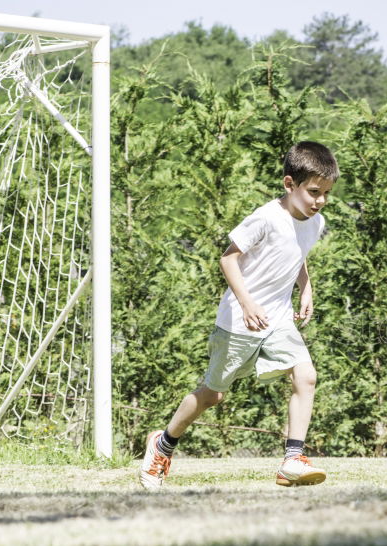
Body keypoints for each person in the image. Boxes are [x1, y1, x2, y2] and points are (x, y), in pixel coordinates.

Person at [139, 141, 338, 490]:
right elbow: (228, 259)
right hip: (239, 318)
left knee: (306, 377)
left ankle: (293, 459)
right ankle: (163, 444)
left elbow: (297, 254)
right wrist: (247, 304)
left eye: (326, 193)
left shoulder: (314, 221)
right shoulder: (265, 217)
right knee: (212, 395)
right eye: (313, 192)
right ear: (289, 184)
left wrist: (306, 288)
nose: (319, 200)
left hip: (276, 317)